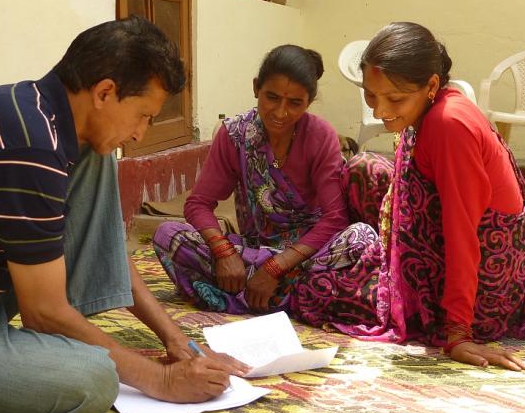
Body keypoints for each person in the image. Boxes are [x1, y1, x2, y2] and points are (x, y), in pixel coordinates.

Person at [0, 16, 247, 413]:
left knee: (98, 155)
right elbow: (41, 313)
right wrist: (160, 379)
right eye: (143, 115)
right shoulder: (26, 144)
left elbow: (107, 244)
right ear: (105, 92)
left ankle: (65, 337)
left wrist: (176, 340)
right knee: (92, 381)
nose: (140, 135)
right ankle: (60, 344)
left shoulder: (44, 118)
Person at [291, 22, 525, 371]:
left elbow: (463, 233)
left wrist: (458, 333)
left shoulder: (449, 125)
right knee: (363, 169)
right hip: (458, 255)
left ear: (431, 85)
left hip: (484, 292)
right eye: (372, 95)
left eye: (395, 99)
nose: (381, 111)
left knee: (318, 284)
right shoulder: (435, 106)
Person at [153, 44, 377, 315]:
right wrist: (224, 252)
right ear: (256, 87)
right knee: (167, 235)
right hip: (253, 251)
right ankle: (298, 298)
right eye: (272, 97)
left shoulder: (320, 136)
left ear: (309, 102)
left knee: (361, 239)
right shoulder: (235, 135)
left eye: (295, 103)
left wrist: (274, 268)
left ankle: (245, 295)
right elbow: (198, 204)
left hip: (306, 254)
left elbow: (335, 219)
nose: (280, 113)